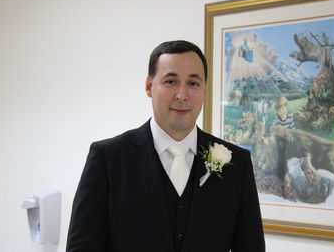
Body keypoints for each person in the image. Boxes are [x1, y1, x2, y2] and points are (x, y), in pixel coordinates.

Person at [66, 40, 266, 252]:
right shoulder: (108, 159)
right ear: (149, 87)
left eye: (193, 83)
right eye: (171, 82)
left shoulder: (236, 162)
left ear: (205, 91)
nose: (182, 95)